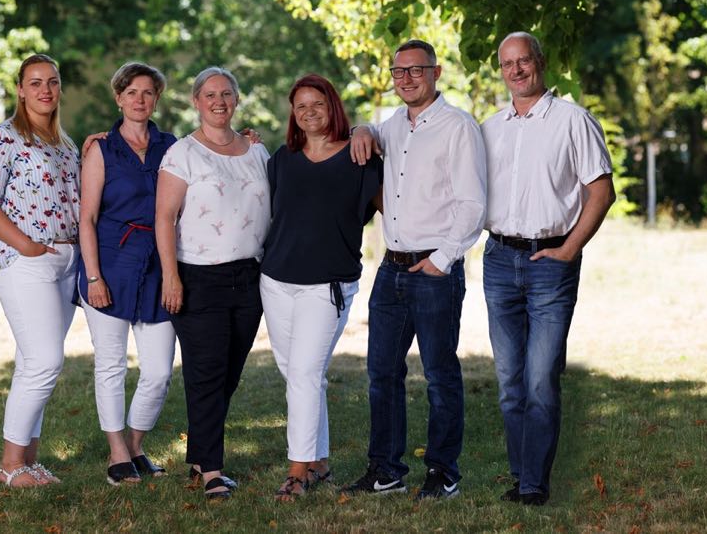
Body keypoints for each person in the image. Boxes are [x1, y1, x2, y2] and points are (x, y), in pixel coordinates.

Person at [345, 40, 487, 500]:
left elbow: (473, 204)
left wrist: (442, 260)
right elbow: (369, 132)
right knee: (381, 373)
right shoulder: (393, 126)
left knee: (440, 375)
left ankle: (443, 472)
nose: (406, 79)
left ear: (436, 72)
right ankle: (386, 469)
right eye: (398, 71)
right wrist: (362, 128)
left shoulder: (458, 127)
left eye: (415, 70)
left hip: (434, 271)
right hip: (390, 271)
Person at [481, 32, 615, 506]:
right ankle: (523, 476)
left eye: (524, 61)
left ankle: (534, 484)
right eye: (507, 64)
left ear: (540, 62)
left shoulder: (573, 120)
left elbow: (602, 191)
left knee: (540, 379)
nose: (516, 70)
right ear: (501, 70)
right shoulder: (490, 128)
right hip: (499, 261)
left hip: (551, 263)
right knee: (509, 383)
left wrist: (570, 249)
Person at [260, 74, 383, 501]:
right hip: (276, 281)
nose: (309, 112)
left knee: (305, 375)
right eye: (300, 106)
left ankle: (297, 472)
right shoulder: (283, 158)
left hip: (327, 284)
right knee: (299, 375)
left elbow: (394, 209)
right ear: (292, 114)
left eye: (317, 103)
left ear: (332, 106)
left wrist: (366, 130)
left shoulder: (359, 156)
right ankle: (320, 462)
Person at [155, 67, 271, 500]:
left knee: (229, 375)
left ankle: (200, 457)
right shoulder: (182, 154)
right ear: (196, 101)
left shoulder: (257, 151)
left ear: (236, 100)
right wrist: (171, 276)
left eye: (226, 94)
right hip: (198, 276)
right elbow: (164, 218)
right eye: (210, 95)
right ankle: (212, 473)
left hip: (250, 277)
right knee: (206, 373)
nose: (219, 102)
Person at [0, 54, 80, 488]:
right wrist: (28, 246)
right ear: (20, 89)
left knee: (32, 362)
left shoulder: (65, 144)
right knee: (44, 361)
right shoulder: (3, 138)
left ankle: (28, 463)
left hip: (66, 262)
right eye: (35, 83)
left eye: (52, 82)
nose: (45, 90)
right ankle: (10, 466)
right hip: (23, 261)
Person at [76, 62, 177, 485]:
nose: (140, 99)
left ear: (157, 99)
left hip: (158, 266)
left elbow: (212, 155)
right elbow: (86, 218)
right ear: (118, 98)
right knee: (111, 364)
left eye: (148, 92)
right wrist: (93, 277)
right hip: (110, 265)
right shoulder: (101, 149)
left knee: (159, 370)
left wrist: (247, 139)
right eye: (131, 92)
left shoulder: (172, 147)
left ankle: (135, 444)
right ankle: (117, 452)